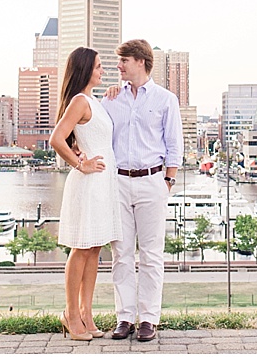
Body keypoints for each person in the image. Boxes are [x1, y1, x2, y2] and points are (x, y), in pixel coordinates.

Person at [102, 39, 183, 342]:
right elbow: (99, 136)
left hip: (153, 182)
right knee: (120, 255)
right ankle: (124, 317)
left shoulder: (165, 99)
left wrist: (168, 182)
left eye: (123, 60)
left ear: (140, 61)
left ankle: (148, 318)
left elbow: (174, 144)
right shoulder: (109, 99)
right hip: (118, 182)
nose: (118, 66)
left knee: (151, 255)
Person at [49, 47, 121, 342]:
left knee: (94, 248)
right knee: (81, 248)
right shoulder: (79, 101)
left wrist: (115, 92)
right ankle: (70, 314)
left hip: (103, 185)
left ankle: (86, 313)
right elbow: (56, 138)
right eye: (99, 66)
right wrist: (81, 163)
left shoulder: (93, 101)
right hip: (88, 184)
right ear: (85, 69)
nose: (103, 71)